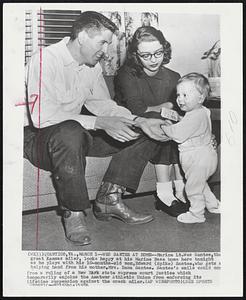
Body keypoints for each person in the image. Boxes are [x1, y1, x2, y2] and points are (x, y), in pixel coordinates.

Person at [24, 11, 172, 246]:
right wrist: (99, 123)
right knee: (70, 130)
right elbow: (42, 116)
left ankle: (108, 198)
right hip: (40, 138)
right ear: (82, 36)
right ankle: (73, 212)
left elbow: (103, 105)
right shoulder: (45, 59)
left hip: (79, 135)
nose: (105, 50)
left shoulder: (92, 67)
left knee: (147, 126)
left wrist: (140, 120)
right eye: (102, 42)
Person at [114, 26, 189, 217]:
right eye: (146, 55)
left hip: (163, 124)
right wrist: (168, 107)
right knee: (162, 123)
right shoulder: (126, 74)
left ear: (165, 49)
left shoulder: (174, 77)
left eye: (158, 53)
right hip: (134, 124)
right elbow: (137, 110)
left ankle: (181, 189)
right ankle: (164, 193)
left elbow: (183, 110)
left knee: (178, 124)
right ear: (135, 56)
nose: (154, 59)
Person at [161, 73, 220, 223]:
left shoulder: (194, 116)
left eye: (185, 95)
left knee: (192, 188)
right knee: (201, 184)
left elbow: (179, 135)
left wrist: (166, 126)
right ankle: (213, 205)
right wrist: (179, 119)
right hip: (206, 157)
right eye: (178, 94)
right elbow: (193, 125)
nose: (180, 99)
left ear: (200, 98)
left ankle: (196, 214)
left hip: (197, 159)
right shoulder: (202, 111)